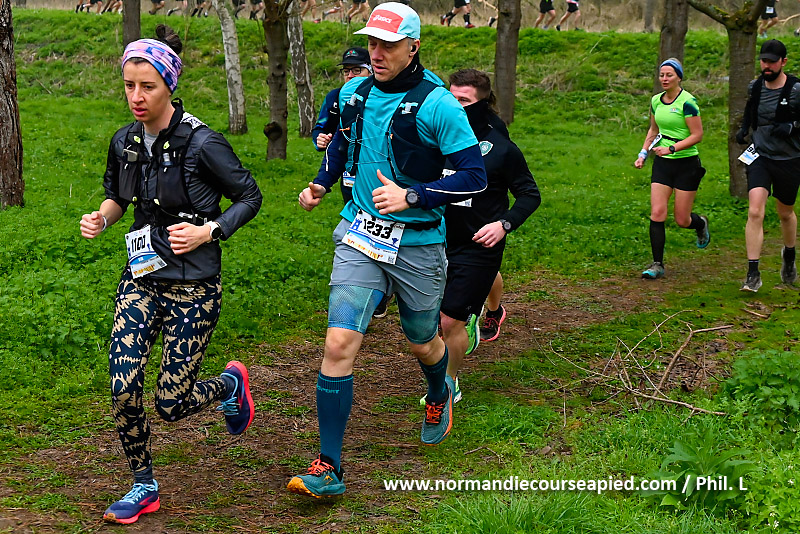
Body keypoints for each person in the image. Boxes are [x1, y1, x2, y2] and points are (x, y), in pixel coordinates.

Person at [290, 2, 487, 498]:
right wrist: (320, 184)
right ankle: (329, 466)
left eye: (389, 45)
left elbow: (474, 176)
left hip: (418, 243)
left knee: (422, 339)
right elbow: (343, 145)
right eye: (372, 43)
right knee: (338, 343)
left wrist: (412, 196)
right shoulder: (353, 94)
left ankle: (439, 389)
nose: (376, 53)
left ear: (413, 47)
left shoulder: (439, 105)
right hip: (361, 232)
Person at [80, 25, 262, 524]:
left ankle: (228, 386)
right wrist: (102, 218)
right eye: (129, 86)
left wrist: (209, 231)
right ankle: (143, 484)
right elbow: (118, 197)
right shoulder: (124, 141)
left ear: (169, 85)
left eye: (148, 86)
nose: (136, 97)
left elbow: (250, 197)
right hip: (141, 277)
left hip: (193, 287)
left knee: (171, 404)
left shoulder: (203, 143)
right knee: (123, 386)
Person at [419, 68, 540, 406]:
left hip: (479, 244)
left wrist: (504, 224)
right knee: (428, 320)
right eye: (451, 98)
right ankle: (475, 315)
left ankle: (449, 384)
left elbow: (529, 194)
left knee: (448, 321)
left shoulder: (501, 149)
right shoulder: (436, 139)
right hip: (436, 238)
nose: (455, 106)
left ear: (482, 104)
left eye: (464, 101)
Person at [634, 58, 709, 280]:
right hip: (663, 164)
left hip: (687, 164)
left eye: (669, 75)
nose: (664, 79)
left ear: (679, 77)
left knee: (682, 220)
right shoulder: (656, 101)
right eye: (662, 75)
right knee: (657, 212)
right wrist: (643, 153)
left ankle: (700, 223)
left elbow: (697, 135)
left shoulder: (688, 102)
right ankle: (657, 264)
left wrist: (672, 148)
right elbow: (653, 129)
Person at [736, 39, 800, 292]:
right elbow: (750, 111)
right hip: (760, 156)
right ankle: (753, 273)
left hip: (789, 159)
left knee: (785, 213)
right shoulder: (755, 87)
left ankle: (790, 254)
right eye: (764, 61)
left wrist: (793, 126)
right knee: (755, 212)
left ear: (783, 62)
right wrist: (744, 129)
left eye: (772, 62)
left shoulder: (796, 89)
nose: (767, 66)